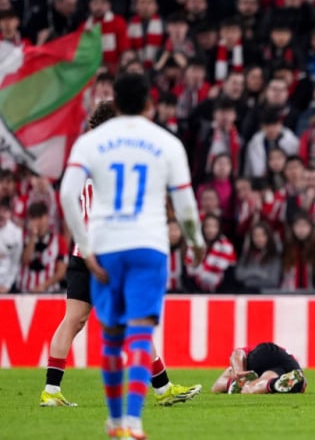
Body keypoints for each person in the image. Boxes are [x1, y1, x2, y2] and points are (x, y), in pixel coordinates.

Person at [59, 74, 206, 439]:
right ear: (148, 105)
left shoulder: (89, 143)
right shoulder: (166, 142)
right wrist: (196, 242)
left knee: (110, 336)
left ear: (116, 104)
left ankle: (114, 422)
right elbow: (186, 206)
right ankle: (134, 423)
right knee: (140, 331)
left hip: (105, 246)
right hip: (148, 247)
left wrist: (84, 245)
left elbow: (66, 197)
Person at [211, 342, 306, 394]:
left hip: (266, 351)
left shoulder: (248, 354)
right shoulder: (288, 355)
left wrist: (238, 371)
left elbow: (237, 353)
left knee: (218, 387)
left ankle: (239, 383)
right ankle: (274, 384)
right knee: (265, 380)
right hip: (292, 367)